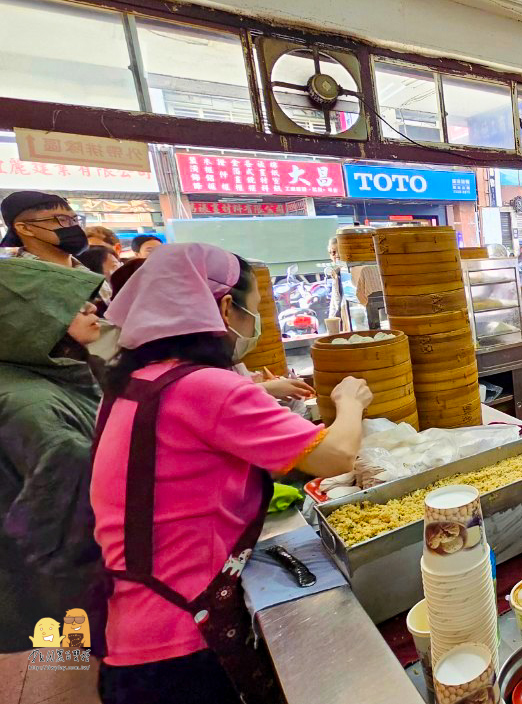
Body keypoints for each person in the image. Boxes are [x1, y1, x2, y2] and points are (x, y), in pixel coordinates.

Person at [90, 243, 372, 704]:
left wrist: (261, 389)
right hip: (180, 635)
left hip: (130, 620)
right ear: (224, 308)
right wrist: (350, 404)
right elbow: (337, 455)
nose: (254, 324)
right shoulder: (207, 387)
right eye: (254, 311)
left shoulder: (133, 381)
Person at [0, 258, 106, 652]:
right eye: (74, 306)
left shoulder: (46, 375)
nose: (92, 309)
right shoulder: (34, 405)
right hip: (68, 578)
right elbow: (68, 518)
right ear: (29, 321)